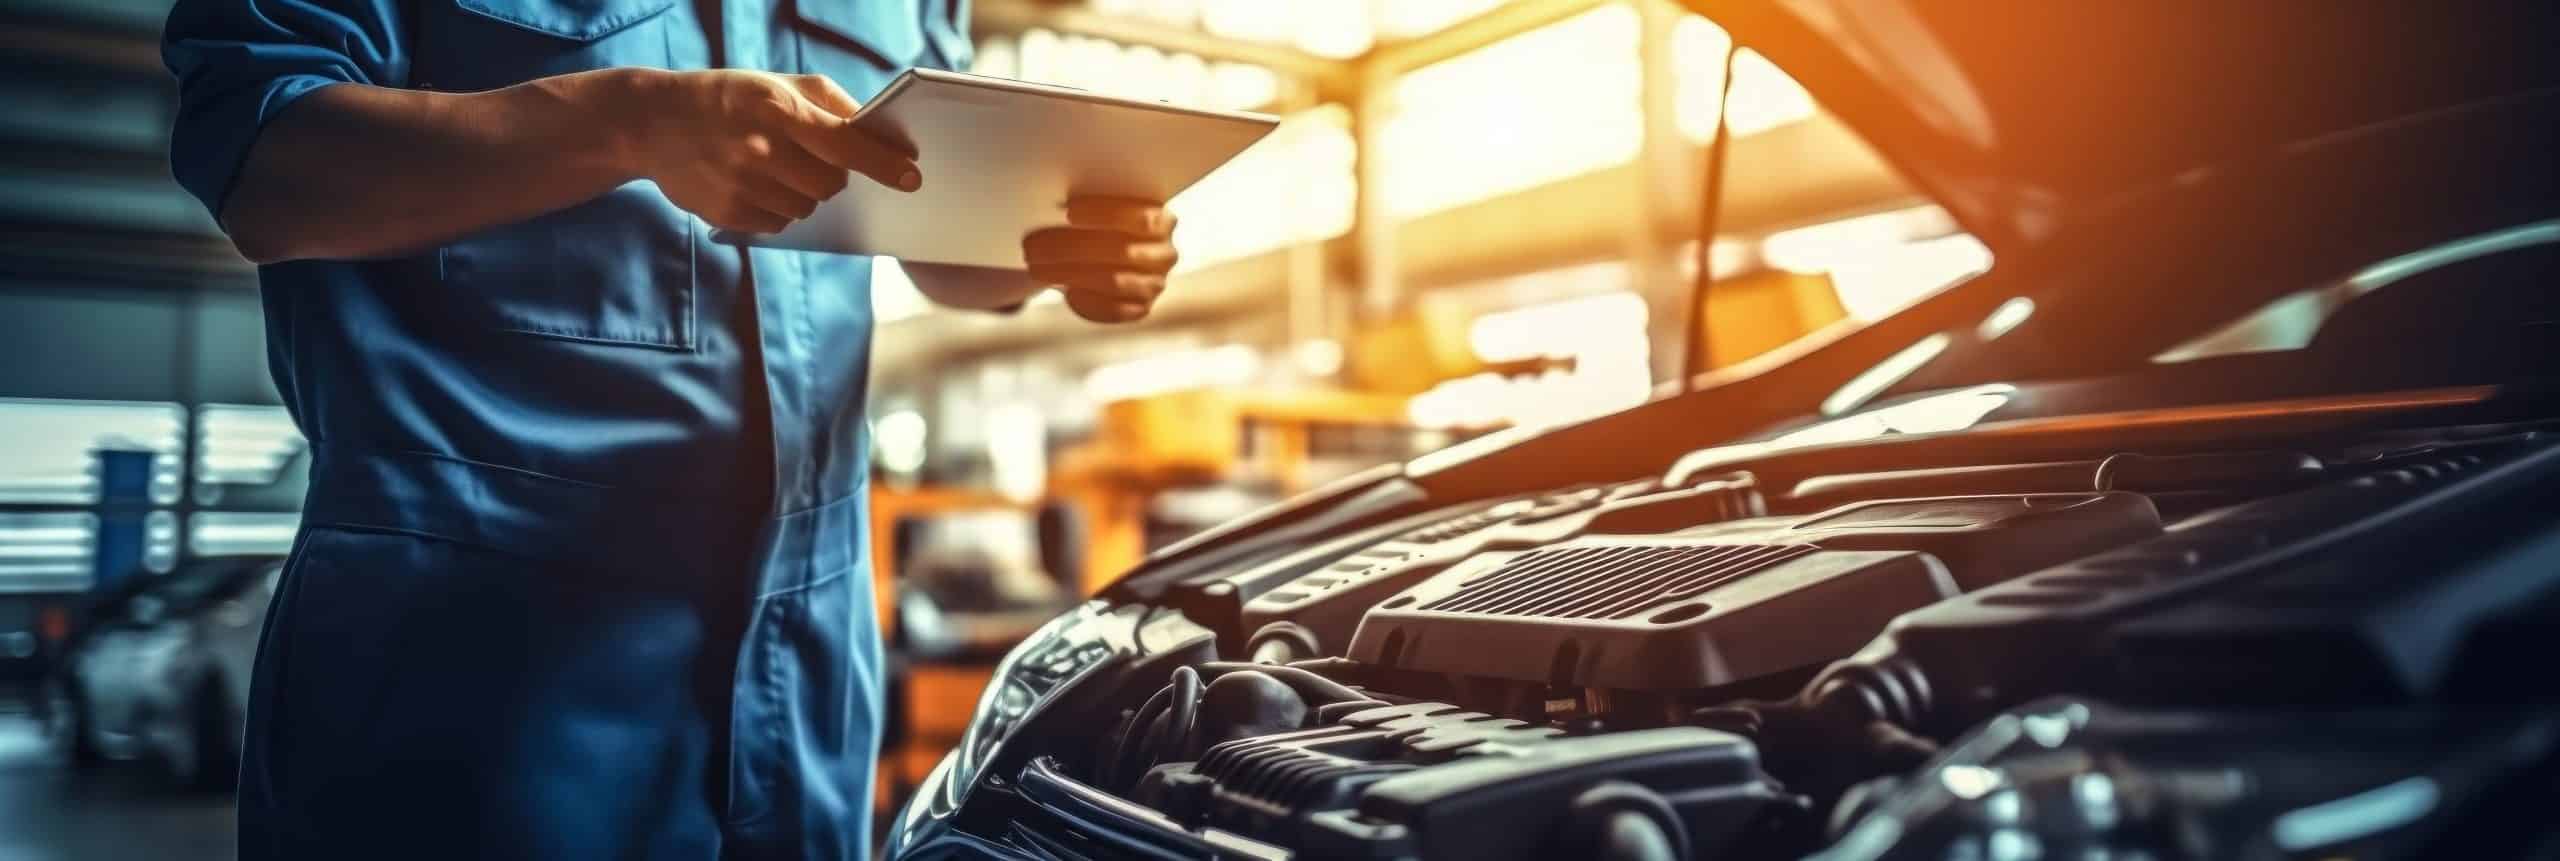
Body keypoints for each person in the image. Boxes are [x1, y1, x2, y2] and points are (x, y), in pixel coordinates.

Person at [159, 0, 1176, 857]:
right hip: (470, 674)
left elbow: (924, 206)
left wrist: (1052, 249)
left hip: (810, 668)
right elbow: (263, 162)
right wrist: (628, 124)